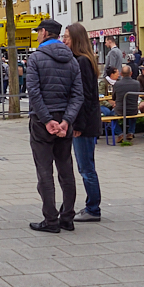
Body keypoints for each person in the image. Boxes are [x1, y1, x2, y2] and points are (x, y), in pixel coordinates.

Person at [25, 19, 83, 233]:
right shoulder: (72, 60)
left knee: (44, 171)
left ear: (44, 32)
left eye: (38, 32)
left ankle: (50, 220)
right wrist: (67, 120)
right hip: (64, 121)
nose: (37, 35)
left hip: (42, 122)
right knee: (66, 169)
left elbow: (33, 92)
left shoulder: (36, 58)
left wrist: (47, 119)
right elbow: (78, 95)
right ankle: (67, 216)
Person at [64, 24, 103, 222]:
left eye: (67, 37)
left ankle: (93, 208)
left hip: (85, 125)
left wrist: (78, 125)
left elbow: (84, 97)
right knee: (86, 166)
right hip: (87, 122)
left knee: (86, 168)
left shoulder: (82, 62)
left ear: (76, 39)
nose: (64, 41)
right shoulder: (84, 60)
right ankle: (92, 206)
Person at [113, 65, 142, 141]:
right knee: (133, 115)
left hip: (120, 110)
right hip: (133, 109)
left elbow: (113, 97)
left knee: (110, 115)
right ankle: (131, 132)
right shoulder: (137, 83)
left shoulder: (117, 84)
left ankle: (120, 134)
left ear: (121, 73)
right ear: (131, 73)